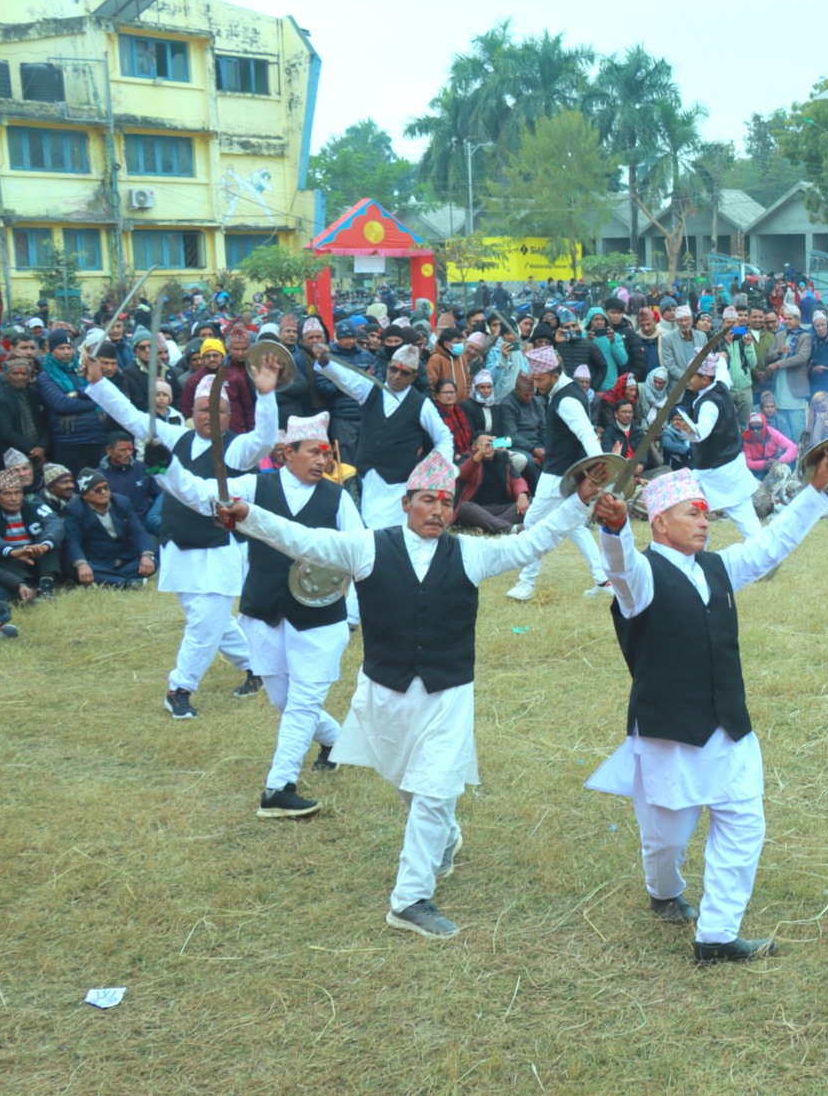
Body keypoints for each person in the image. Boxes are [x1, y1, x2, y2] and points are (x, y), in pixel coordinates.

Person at [212, 448, 608, 938]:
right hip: (384, 694)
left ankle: (409, 899)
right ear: (406, 503)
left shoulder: (471, 553)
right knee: (409, 781)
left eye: (446, 502)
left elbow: (534, 542)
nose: (438, 511)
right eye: (428, 501)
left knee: (436, 786)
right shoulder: (367, 547)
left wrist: (581, 502)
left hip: (448, 693)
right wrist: (248, 514)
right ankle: (443, 841)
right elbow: (304, 541)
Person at [583, 448, 828, 964]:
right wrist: (614, 531)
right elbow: (620, 568)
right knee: (667, 836)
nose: (706, 521)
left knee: (745, 822)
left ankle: (716, 937)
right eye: (693, 513)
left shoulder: (719, 567)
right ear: (659, 522)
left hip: (730, 727)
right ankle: (663, 893)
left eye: (706, 512)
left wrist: (815, 491)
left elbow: (771, 546)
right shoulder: (640, 578)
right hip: (669, 731)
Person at [157, 412, 364, 819]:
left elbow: (359, 554)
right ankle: (338, 740)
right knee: (285, 700)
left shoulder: (338, 497)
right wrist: (157, 464)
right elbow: (199, 494)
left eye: (326, 453)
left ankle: (278, 788)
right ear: (287, 453)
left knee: (304, 700)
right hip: (265, 610)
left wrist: (353, 616)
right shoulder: (255, 485)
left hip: (322, 616)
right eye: (314, 452)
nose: (322, 460)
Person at [85, 353, 286, 717]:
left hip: (219, 549)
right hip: (179, 545)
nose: (212, 416)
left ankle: (180, 688)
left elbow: (265, 439)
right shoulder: (175, 436)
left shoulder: (238, 447)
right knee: (210, 619)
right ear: (192, 412)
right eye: (205, 409)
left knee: (204, 621)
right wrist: (99, 382)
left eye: (220, 410)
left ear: (230, 416)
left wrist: (267, 396)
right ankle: (257, 667)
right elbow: (131, 416)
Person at [506, 344, 613, 600]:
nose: (536, 385)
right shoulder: (564, 391)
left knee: (533, 524)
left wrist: (601, 466)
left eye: (540, 380)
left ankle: (526, 584)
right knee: (575, 525)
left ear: (554, 374)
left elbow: (586, 433)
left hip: (558, 476)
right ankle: (602, 581)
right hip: (564, 471)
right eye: (534, 379)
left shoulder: (565, 399)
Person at [310, 341, 449, 531]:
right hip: (368, 477)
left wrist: (439, 469)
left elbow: (444, 437)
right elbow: (347, 378)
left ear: (413, 377)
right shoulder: (370, 390)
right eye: (393, 370)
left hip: (400, 481)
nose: (396, 376)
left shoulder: (421, 404)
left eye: (404, 373)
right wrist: (326, 362)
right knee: (370, 529)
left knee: (395, 532)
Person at [671, 352, 764, 537]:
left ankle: (764, 554)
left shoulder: (709, 405)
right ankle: (698, 554)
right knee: (698, 513)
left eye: (692, 375)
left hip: (718, 470)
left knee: (742, 516)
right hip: (722, 466)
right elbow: (721, 364)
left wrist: (685, 429)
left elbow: (701, 433)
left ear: (705, 379)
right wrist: (719, 356)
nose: (687, 379)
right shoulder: (721, 383)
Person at [61, 467, 157, 588]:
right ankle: (126, 583)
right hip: (97, 561)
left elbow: (138, 531)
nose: (103, 492)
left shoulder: (122, 502)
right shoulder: (74, 509)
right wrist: (82, 565)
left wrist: (146, 556)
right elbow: (72, 541)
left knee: (153, 560)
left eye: (106, 487)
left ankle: (107, 581)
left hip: (125, 559)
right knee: (74, 568)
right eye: (97, 490)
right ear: (85, 495)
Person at [0, 469, 65, 592]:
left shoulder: (35, 506)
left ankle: (46, 583)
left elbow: (54, 523)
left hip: (36, 556)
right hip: (10, 560)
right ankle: (23, 585)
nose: (14, 498)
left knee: (51, 540)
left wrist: (44, 545)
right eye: (7, 494)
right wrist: (11, 552)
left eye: (18, 493)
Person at [455, 432, 528, 533]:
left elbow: (516, 479)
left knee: (531, 502)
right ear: (474, 447)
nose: (488, 447)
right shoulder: (467, 458)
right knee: (464, 508)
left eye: (491, 444)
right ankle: (509, 528)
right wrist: (480, 453)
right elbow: (463, 473)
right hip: (478, 509)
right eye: (483, 444)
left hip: (503, 508)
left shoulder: (502, 457)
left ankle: (486, 527)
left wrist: (522, 495)